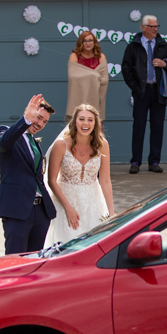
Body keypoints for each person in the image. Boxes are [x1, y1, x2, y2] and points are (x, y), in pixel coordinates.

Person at [0, 94, 57, 254]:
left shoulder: (33, 141)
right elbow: (4, 143)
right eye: (38, 118)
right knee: (16, 261)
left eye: (45, 121)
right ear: (28, 113)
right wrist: (25, 120)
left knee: (35, 260)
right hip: (17, 210)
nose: (41, 124)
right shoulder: (6, 133)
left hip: (40, 212)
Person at [43, 104, 114, 248]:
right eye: (81, 119)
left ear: (95, 123)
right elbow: (52, 181)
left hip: (93, 202)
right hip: (66, 201)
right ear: (75, 121)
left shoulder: (102, 144)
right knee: (68, 246)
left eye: (90, 120)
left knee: (94, 245)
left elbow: (105, 181)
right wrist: (68, 208)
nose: (85, 124)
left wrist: (111, 214)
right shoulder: (61, 145)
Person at [122, 14, 167, 174]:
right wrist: (135, 87)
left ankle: (154, 161)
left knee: (157, 127)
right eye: (152, 26)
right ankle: (135, 161)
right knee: (139, 126)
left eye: (157, 26)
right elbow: (126, 69)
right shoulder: (133, 46)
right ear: (143, 28)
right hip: (141, 92)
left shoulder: (162, 45)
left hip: (159, 91)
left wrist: (164, 63)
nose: (155, 29)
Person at [67, 31, 109, 121]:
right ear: (81, 43)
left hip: (95, 101)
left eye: (90, 40)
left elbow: (104, 80)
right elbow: (73, 77)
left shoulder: (101, 57)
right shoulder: (74, 56)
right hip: (78, 102)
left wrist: (86, 77)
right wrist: (94, 76)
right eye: (85, 41)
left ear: (94, 42)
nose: (88, 43)